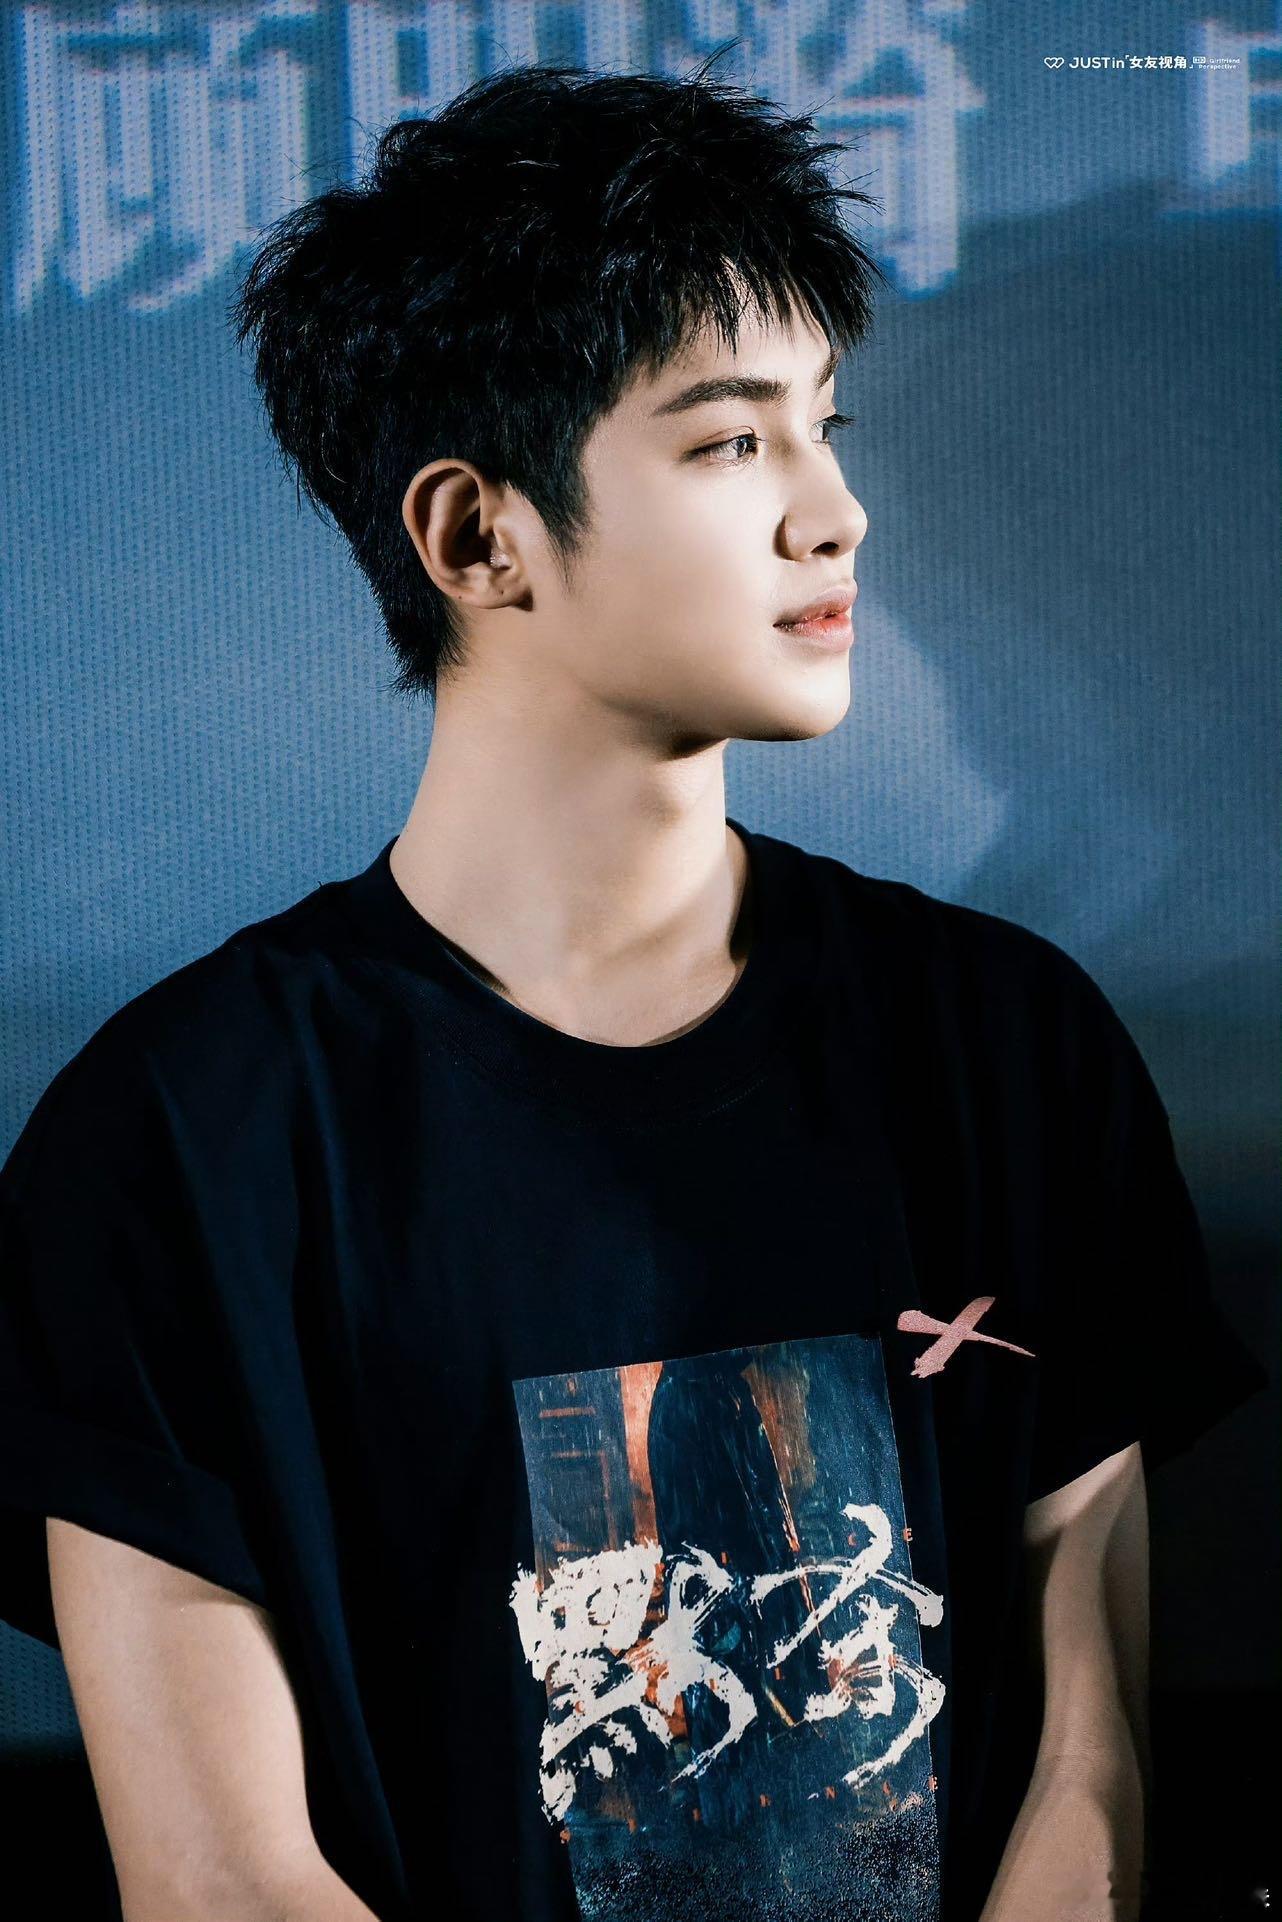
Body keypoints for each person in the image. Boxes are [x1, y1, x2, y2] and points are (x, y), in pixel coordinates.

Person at [0, 59, 1266, 1922]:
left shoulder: (1006, 1046)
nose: (834, 514)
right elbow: (221, 1878)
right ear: (475, 534)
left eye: (824, 427)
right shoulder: (180, 1139)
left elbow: (1090, 1762)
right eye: (730, 443)